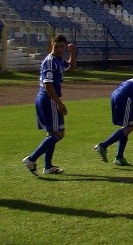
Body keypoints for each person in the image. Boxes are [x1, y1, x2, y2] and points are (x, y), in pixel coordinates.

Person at [22, 35, 76, 175]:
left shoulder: (58, 60)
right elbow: (47, 84)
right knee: (59, 133)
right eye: (56, 46)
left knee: (52, 133)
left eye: (62, 47)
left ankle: (48, 166)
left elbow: (70, 67)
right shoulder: (50, 61)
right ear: (51, 45)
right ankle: (32, 158)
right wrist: (59, 103)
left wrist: (72, 53)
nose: (59, 49)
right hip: (49, 99)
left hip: (48, 99)